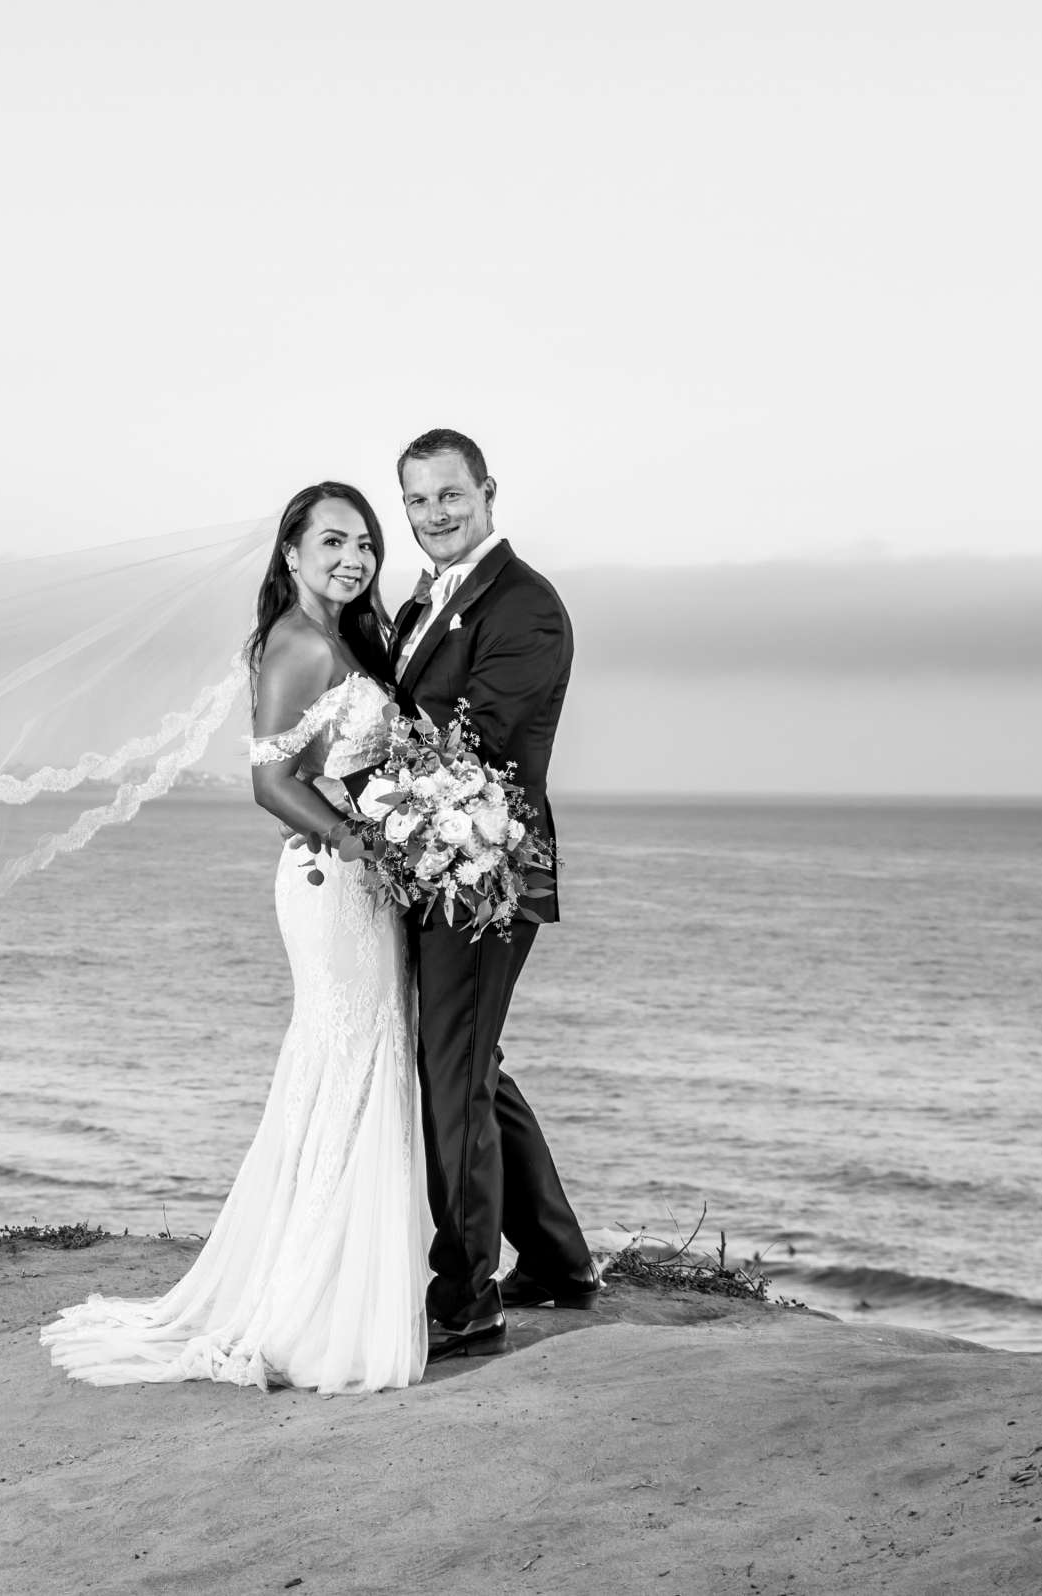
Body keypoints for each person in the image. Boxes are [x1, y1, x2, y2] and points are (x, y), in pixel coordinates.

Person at [40, 481, 433, 1393]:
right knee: (344, 1064)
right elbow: (269, 780)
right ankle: (302, 1303)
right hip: (334, 884)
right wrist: (362, 843)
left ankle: (344, 1279)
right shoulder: (297, 644)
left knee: (360, 1064)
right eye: (332, 541)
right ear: (290, 553)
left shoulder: (344, 639)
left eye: (366, 543)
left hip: (359, 881)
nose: (353, 557)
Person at [386, 427, 599, 1359]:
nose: (435, 514)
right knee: (470, 1065)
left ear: (488, 492)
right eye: (419, 501)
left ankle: (465, 1297)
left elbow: (475, 749)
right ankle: (556, 1261)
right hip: (428, 868)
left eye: (450, 496)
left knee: (455, 1075)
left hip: (486, 873)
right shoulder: (415, 606)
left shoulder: (526, 607)